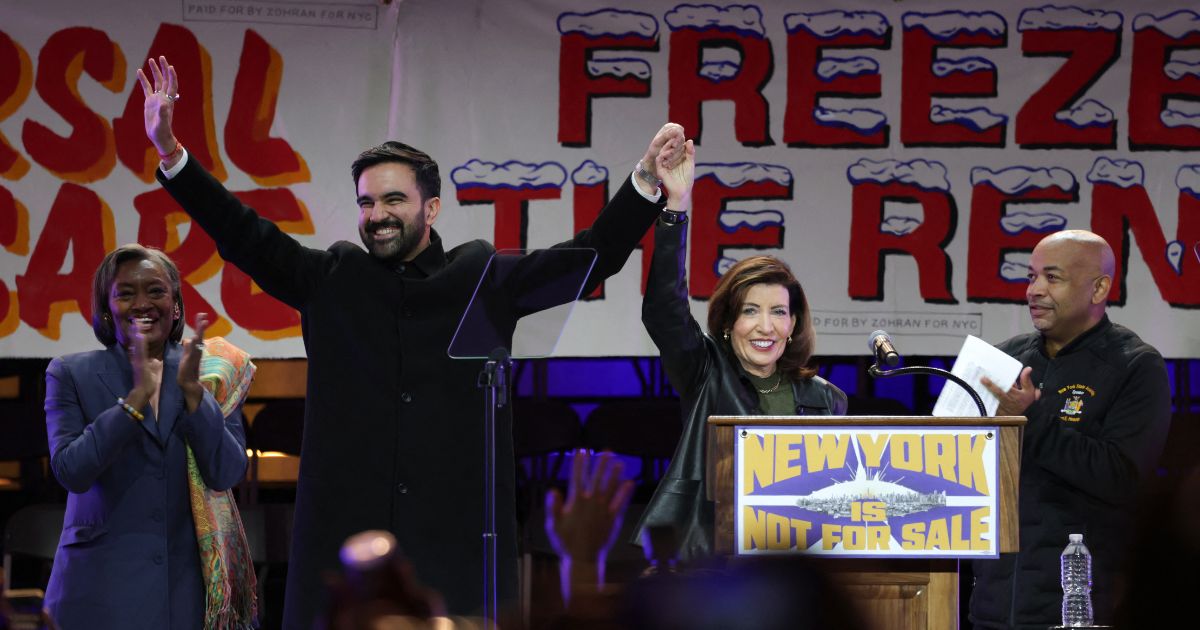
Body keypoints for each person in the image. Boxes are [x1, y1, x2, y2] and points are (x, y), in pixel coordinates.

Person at [137, 56, 676, 624]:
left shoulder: (481, 278)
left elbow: (588, 260)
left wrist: (643, 185)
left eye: (394, 200)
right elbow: (241, 233)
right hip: (344, 540)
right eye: (368, 203)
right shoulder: (332, 278)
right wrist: (173, 155)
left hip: (455, 537)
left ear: (431, 207)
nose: (378, 216)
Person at [630, 135, 847, 560]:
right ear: (729, 322)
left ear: (794, 323)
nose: (765, 327)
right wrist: (676, 208)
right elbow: (664, 311)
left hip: (796, 569)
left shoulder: (826, 399)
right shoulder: (706, 372)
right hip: (708, 565)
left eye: (779, 313)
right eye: (751, 311)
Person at [43, 245, 253, 629]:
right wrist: (136, 399)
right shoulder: (70, 373)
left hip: (185, 592)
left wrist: (194, 393)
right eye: (126, 293)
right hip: (97, 592)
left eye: (156, 291)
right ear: (108, 307)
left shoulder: (211, 370)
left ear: (175, 305)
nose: (142, 303)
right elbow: (71, 470)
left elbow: (226, 473)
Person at [971, 230, 1172, 628]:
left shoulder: (1136, 366)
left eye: (1052, 277)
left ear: (1098, 288)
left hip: (1081, 610)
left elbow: (1121, 477)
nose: (1035, 290)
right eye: (1031, 277)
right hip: (991, 609)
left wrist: (1030, 420)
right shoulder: (1002, 358)